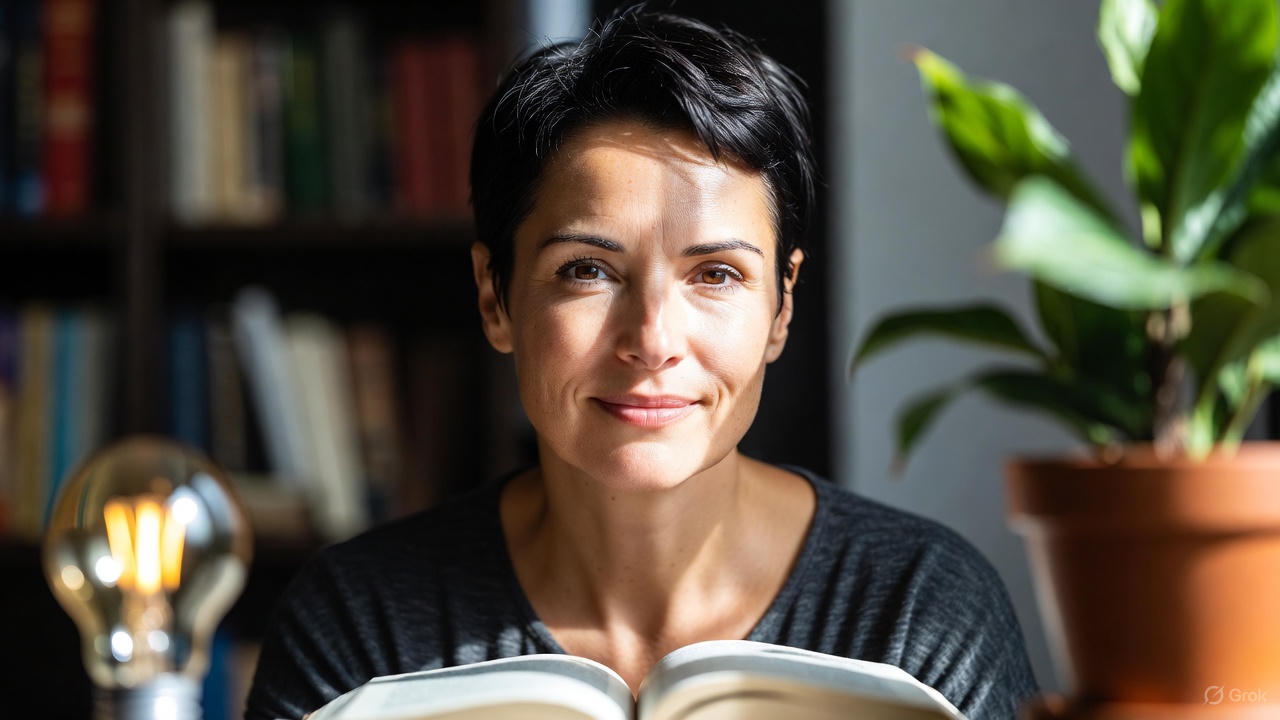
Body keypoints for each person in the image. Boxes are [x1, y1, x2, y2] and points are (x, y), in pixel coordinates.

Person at [244, 6, 1040, 719]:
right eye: (587, 270)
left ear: (782, 305)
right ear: (495, 296)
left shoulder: (918, 616)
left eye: (716, 275)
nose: (652, 340)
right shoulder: (360, 627)